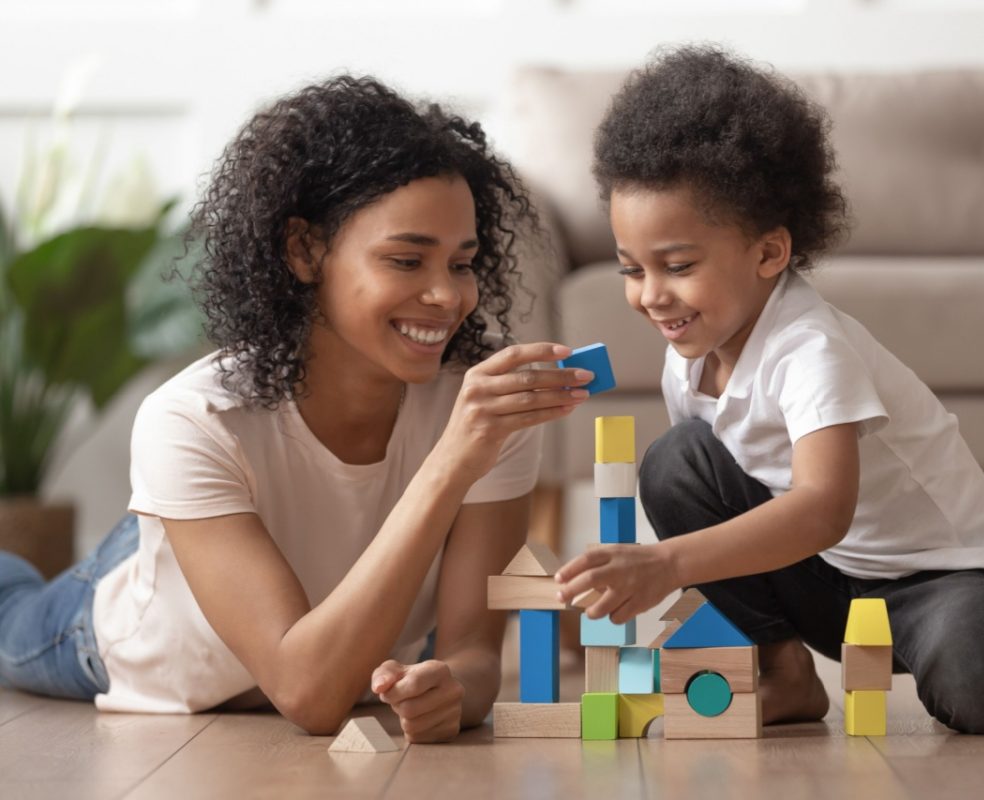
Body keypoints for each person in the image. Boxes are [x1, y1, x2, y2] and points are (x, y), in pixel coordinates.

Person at [0, 75, 593, 741]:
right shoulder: (194, 418)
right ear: (304, 251)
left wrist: (455, 688)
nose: (447, 296)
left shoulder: (482, 410)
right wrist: (451, 464)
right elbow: (310, 695)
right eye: (405, 260)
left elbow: (474, 653)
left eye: (462, 264)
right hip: (132, 632)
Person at [554, 46, 984, 735]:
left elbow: (820, 509)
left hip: (936, 583)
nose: (651, 296)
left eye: (678, 266)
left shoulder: (811, 350)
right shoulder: (690, 354)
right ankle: (784, 674)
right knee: (676, 461)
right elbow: (726, 506)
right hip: (816, 581)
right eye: (632, 269)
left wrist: (664, 564)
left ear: (770, 253)